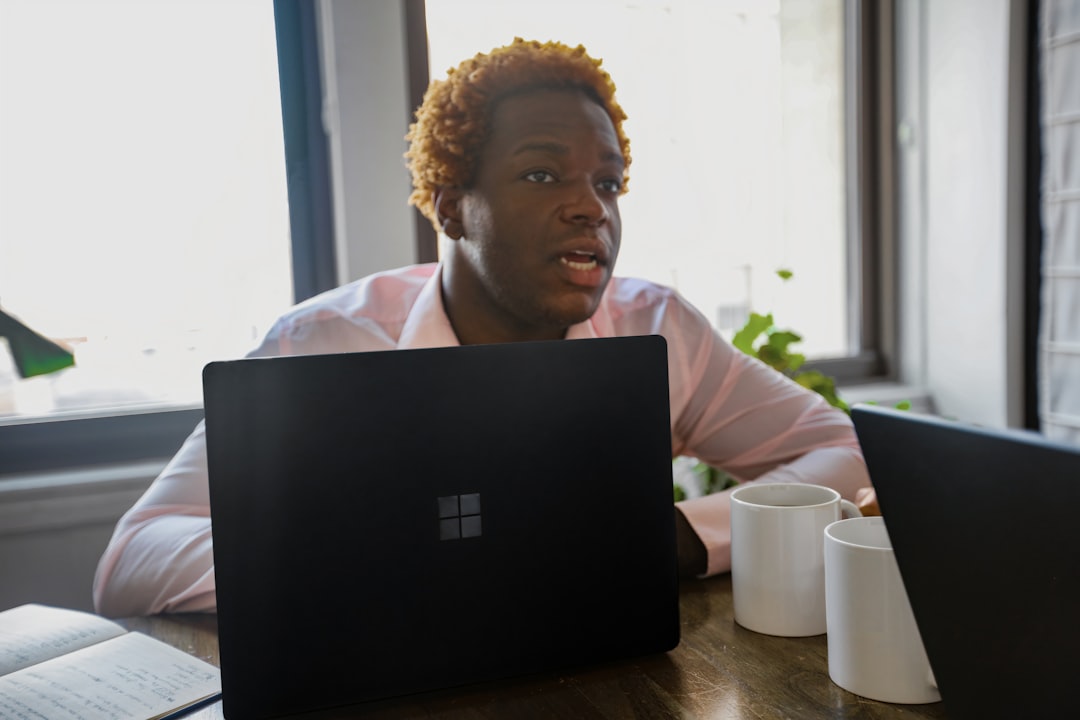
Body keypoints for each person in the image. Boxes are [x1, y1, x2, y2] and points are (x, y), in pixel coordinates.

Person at [93, 38, 870, 618]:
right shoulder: (322, 345)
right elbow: (135, 557)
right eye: (542, 173)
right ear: (451, 206)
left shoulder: (657, 329)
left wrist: (679, 536)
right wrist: (375, 562)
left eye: (607, 181)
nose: (590, 207)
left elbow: (844, 451)